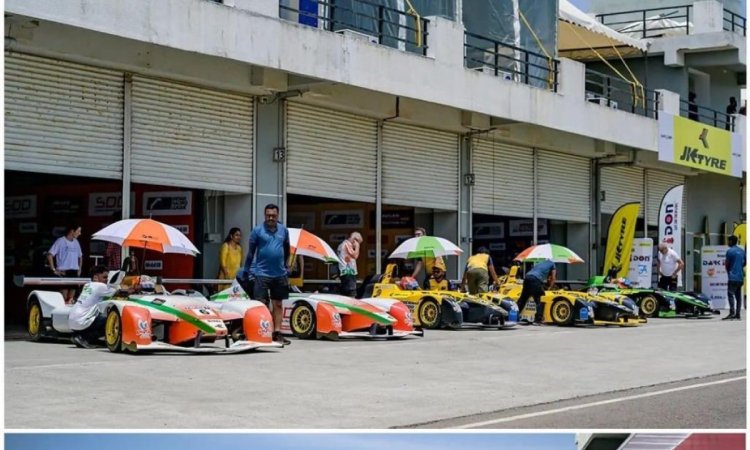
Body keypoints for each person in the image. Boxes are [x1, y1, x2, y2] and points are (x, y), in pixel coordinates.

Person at [242, 204, 291, 345]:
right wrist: (246, 271)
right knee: (261, 304)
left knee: (278, 304)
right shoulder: (257, 231)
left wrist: (286, 265)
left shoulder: (284, 231)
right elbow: (251, 253)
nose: (271, 218)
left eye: (273, 215)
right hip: (261, 273)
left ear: (278, 216)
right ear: (264, 215)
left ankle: (277, 333)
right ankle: (261, 332)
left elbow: (287, 249)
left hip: (279, 274)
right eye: (268, 215)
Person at [68, 265, 116, 348]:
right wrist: (132, 288)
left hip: (72, 322)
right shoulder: (100, 286)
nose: (107, 280)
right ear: (95, 278)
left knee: (96, 315)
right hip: (81, 322)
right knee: (108, 319)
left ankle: (78, 336)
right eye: (104, 277)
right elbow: (119, 291)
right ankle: (85, 338)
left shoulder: (87, 285)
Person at [47, 224, 83, 304]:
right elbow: (50, 255)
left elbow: (80, 256)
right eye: (78, 231)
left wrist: (79, 269)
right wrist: (53, 269)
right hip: (63, 272)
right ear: (72, 231)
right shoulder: (60, 241)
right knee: (63, 298)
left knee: (71, 299)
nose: (80, 233)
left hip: (74, 272)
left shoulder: (76, 242)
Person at [517, 259, 557, 325]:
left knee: (523, 299)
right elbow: (553, 278)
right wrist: (550, 288)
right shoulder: (552, 264)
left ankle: (514, 315)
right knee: (539, 299)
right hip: (535, 280)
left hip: (527, 277)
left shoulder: (541, 263)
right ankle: (538, 320)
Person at [724, 235, 746, 320]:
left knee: (730, 294)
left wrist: (729, 271)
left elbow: (726, 264)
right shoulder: (742, 251)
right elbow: (744, 263)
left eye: (728, 241)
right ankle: (738, 314)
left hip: (732, 276)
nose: (728, 242)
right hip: (740, 277)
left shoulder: (730, 251)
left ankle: (732, 313)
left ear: (731, 241)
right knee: (738, 296)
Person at [337, 231, 363, 297]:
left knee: (346, 293)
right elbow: (355, 256)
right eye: (358, 242)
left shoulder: (342, 245)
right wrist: (358, 246)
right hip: (348, 272)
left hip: (345, 272)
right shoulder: (346, 244)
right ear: (355, 240)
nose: (354, 247)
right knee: (351, 293)